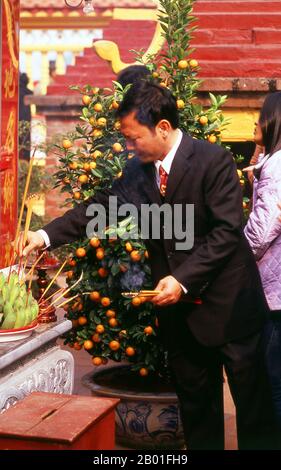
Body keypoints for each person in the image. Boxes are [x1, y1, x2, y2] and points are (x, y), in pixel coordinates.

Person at [18, 81, 279, 449]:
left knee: (256, 419)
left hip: (231, 309)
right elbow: (100, 208)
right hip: (181, 319)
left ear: (163, 128)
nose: (127, 146)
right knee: (198, 416)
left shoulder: (212, 160)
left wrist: (182, 280)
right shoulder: (139, 171)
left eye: (133, 137)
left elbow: (226, 233)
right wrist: (43, 237)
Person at [244, 92, 281, 429]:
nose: (256, 121)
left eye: (262, 115)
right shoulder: (273, 162)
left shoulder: (277, 166)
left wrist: (234, 257)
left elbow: (263, 227)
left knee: (271, 384)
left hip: (274, 293)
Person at [19, 73, 33, 161]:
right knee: (26, 142)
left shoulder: (17, 92)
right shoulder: (28, 93)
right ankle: (26, 161)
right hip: (26, 120)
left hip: (17, 120)